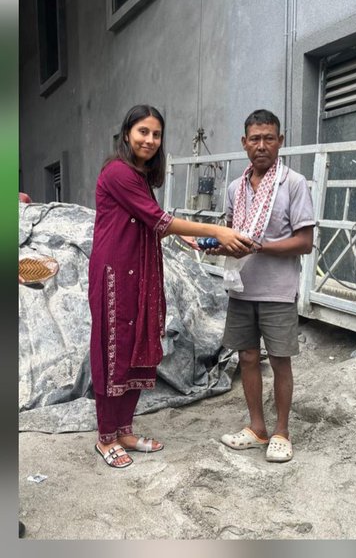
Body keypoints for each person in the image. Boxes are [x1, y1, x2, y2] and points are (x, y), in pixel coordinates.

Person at [90, 105, 254, 469]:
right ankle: (105, 437)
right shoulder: (118, 172)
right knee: (114, 349)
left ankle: (125, 430)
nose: (149, 140)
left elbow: (152, 225)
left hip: (142, 269)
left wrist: (192, 241)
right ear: (127, 133)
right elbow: (160, 220)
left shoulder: (141, 176)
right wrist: (215, 230)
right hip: (115, 273)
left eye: (156, 134)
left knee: (139, 346)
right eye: (143, 132)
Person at [216, 110, 315, 464]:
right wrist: (219, 244)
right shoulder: (234, 188)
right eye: (254, 139)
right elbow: (230, 232)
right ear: (244, 143)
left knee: (279, 360)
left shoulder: (293, 183)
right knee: (246, 357)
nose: (261, 146)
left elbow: (305, 242)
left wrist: (261, 246)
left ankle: (282, 432)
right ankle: (257, 427)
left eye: (269, 138)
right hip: (241, 286)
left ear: (280, 142)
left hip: (277, 289)